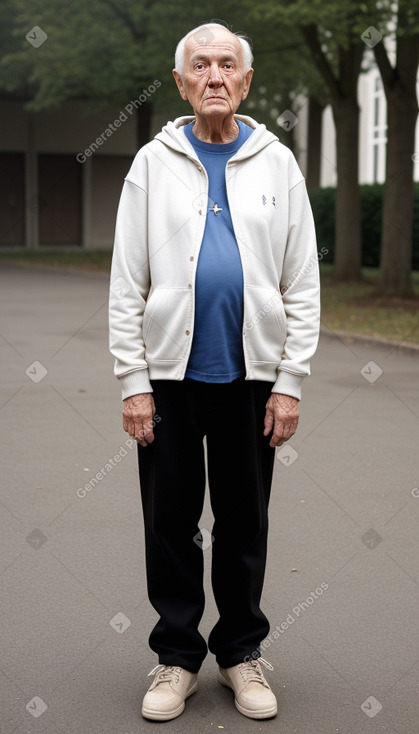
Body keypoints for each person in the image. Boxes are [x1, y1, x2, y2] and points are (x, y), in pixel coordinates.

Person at [108, 20, 321, 722]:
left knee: (242, 522)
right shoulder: (152, 163)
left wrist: (289, 380)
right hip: (168, 378)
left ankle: (239, 654)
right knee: (169, 522)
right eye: (199, 65)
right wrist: (132, 381)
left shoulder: (277, 163)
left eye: (226, 64)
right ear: (179, 82)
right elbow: (125, 282)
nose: (213, 77)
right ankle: (175, 659)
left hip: (251, 379)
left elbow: (301, 284)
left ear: (246, 79)